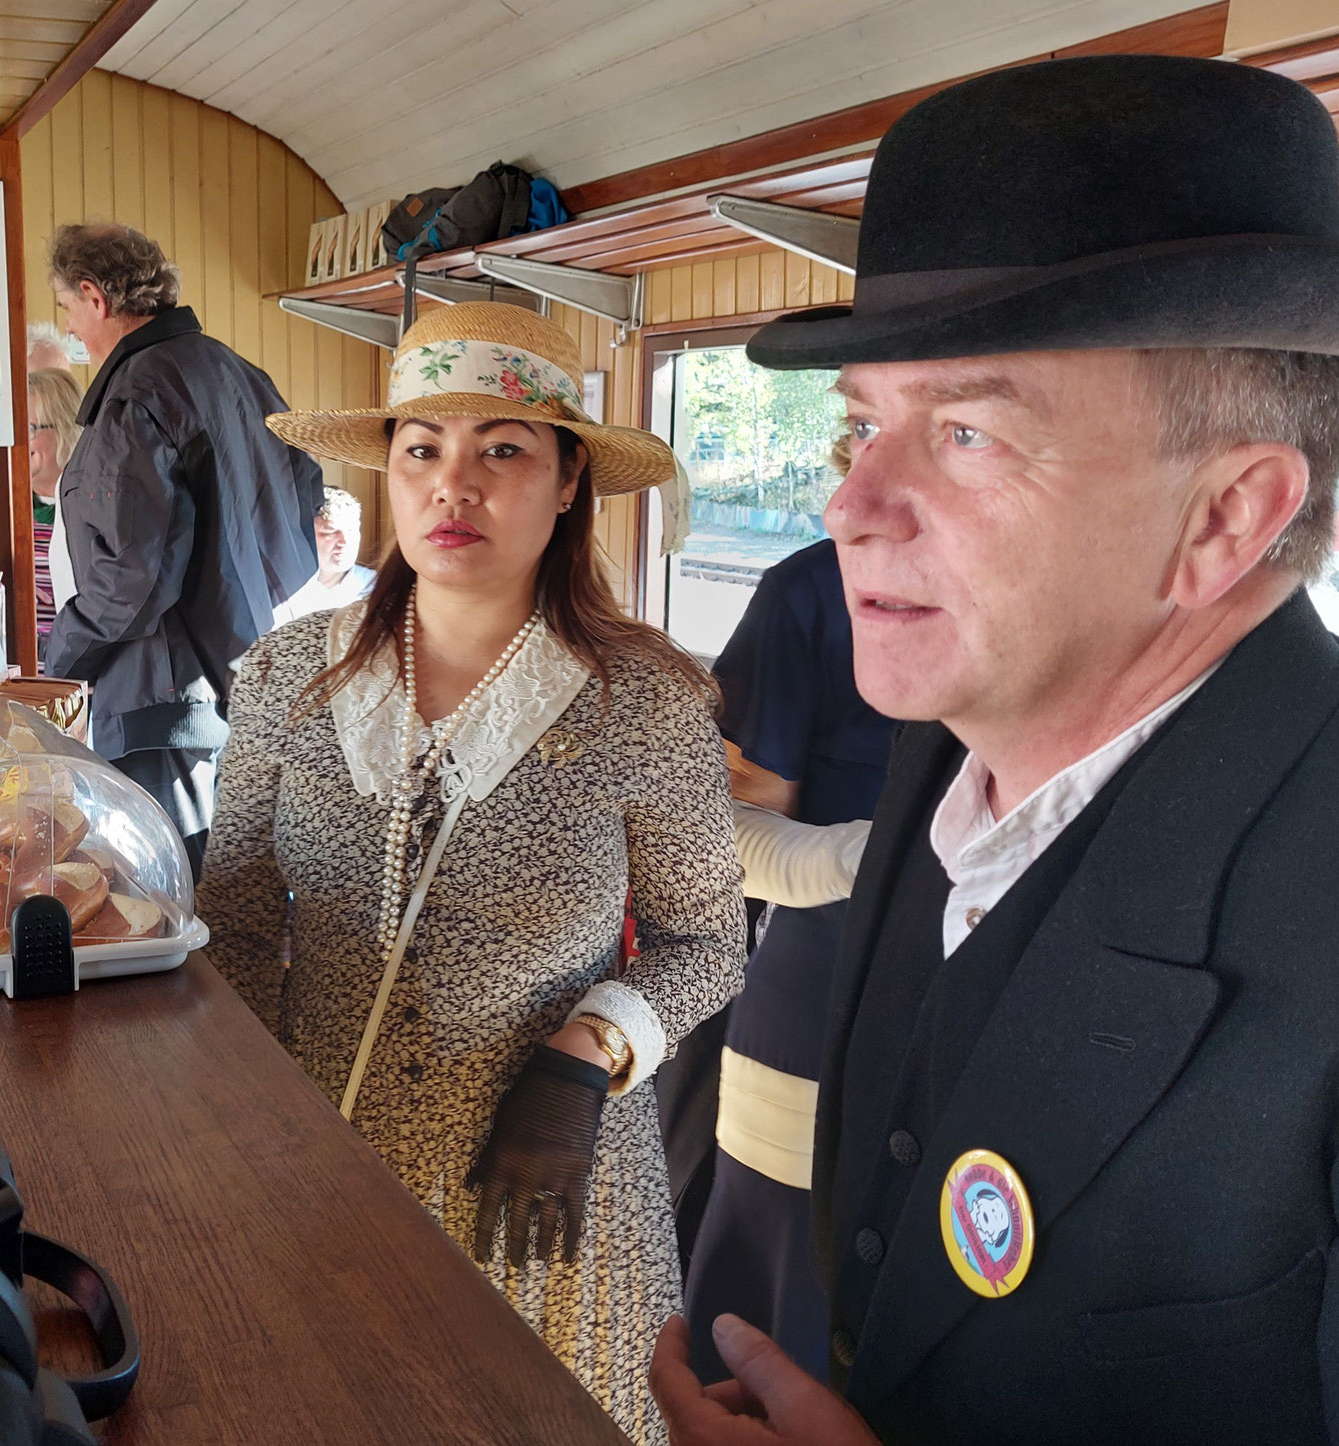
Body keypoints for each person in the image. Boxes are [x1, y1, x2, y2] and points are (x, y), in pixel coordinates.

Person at [651, 55, 1339, 1445]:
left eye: (964, 432)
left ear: (1226, 517)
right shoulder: (939, 763)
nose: (850, 502)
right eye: (863, 424)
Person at [200, 301, 747, 1443]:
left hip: (547, 1186)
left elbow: (707, 942)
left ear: (564, 486)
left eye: (502, 448)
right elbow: (236, 917)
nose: (455, 486)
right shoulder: (287, 677)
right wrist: (246, 1129)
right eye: (422, 450)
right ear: (387, 479)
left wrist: (587, 1056)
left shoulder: (644, 699)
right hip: (327, 1169)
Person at [680, 536, 897, 1385]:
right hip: (824, 968)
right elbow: (728, 824)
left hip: (1026, 983)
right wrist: (883, 859)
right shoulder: (812, 590)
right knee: (780, 1298)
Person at [43, 222, 323, 877]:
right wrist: (234, 596)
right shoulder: (239, 373)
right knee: (225, 896)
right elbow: (305, 510)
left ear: (94, 298)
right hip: (240, 681)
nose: (72, 331)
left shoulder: (136, 394)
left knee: (166, 903)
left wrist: (62, 657)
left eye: (66, 311)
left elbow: (130, 577)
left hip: (160, 700)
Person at [26, 365, 82, 647]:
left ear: (63, 427)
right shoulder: (6, 515)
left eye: (30, 428)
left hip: (82, 672)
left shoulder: (93, 508)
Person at [273, 485, 376, 625]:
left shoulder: (375, 588)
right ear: (304, 535)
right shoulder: (279, 589)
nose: (344, 542)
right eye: (331, 532)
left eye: (351, 530)